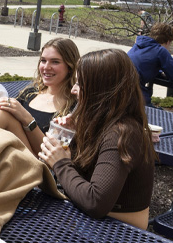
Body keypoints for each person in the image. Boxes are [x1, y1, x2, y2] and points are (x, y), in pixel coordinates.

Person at [39, 49, 155, 230]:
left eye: (80, 84)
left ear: (100, 91)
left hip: (120, 234)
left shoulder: (122, 134)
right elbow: (83, 178)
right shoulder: (101, 123)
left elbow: (95, 202)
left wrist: (60, 163)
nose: (73, 90)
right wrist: (71, 137)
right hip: (90, 222)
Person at [0, 38, 79, 156]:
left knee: (3, 113)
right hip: (8, 154)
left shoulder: (74, 108)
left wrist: (28, 120)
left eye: (55, 62)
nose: (46, 67)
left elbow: (54, 156)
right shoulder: (30, 93)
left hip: (38, 166)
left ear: (70, 67)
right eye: (43, 60)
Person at [127, 22, 173, 105]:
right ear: (168, 42)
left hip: (120, 91)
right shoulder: (161, 51)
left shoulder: (137, 45)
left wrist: (159, 73)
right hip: (135, 97)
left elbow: (142, 66)